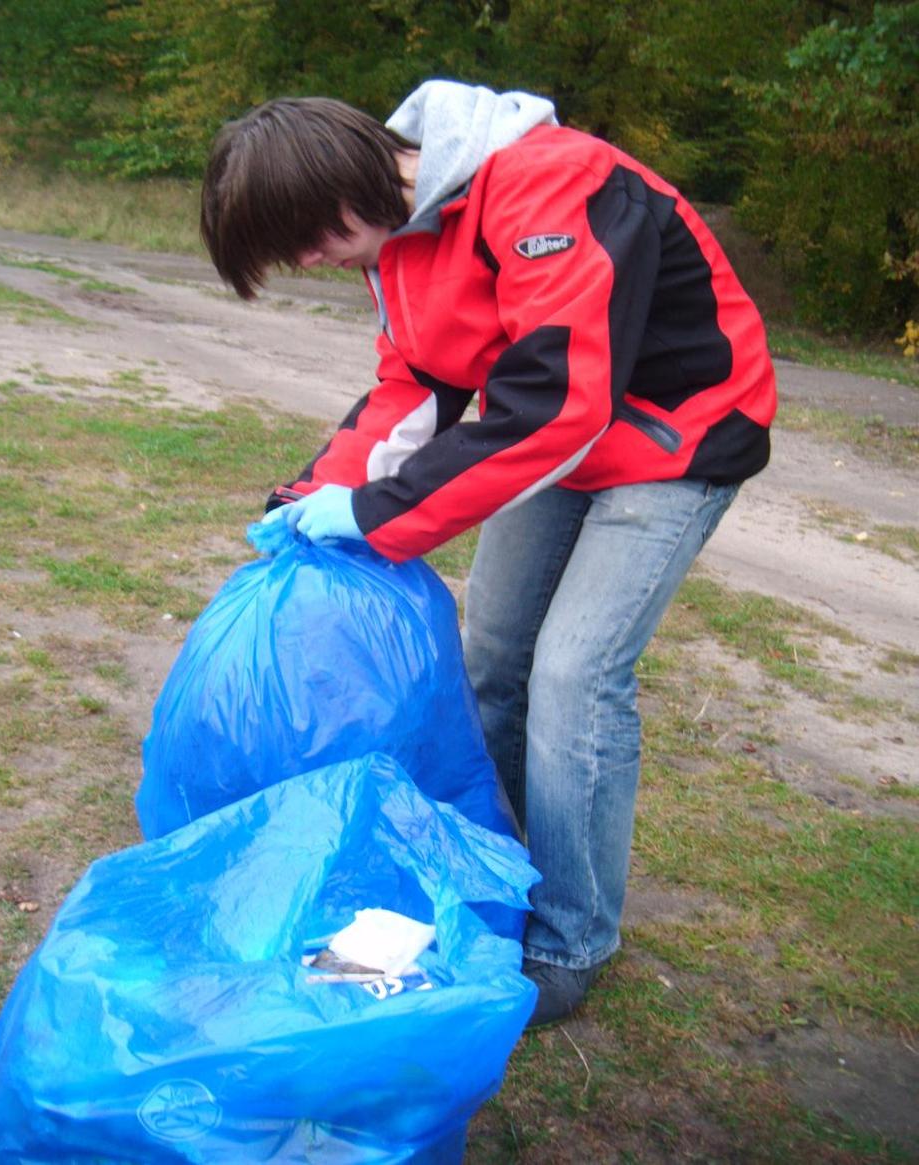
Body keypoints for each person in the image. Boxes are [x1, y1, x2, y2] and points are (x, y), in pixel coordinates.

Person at [200, 81, 777, 1027]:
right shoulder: (395, 239)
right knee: (494, 660)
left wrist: (380, 514)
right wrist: (314, 494)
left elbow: (555, 402)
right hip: (565, 438)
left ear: (356, 178)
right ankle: (492, 872)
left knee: (575, 676)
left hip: (681, 435)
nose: (311, 258)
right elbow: (415, 380)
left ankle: (568, 938)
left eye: (311, 237)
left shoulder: (553, 183)